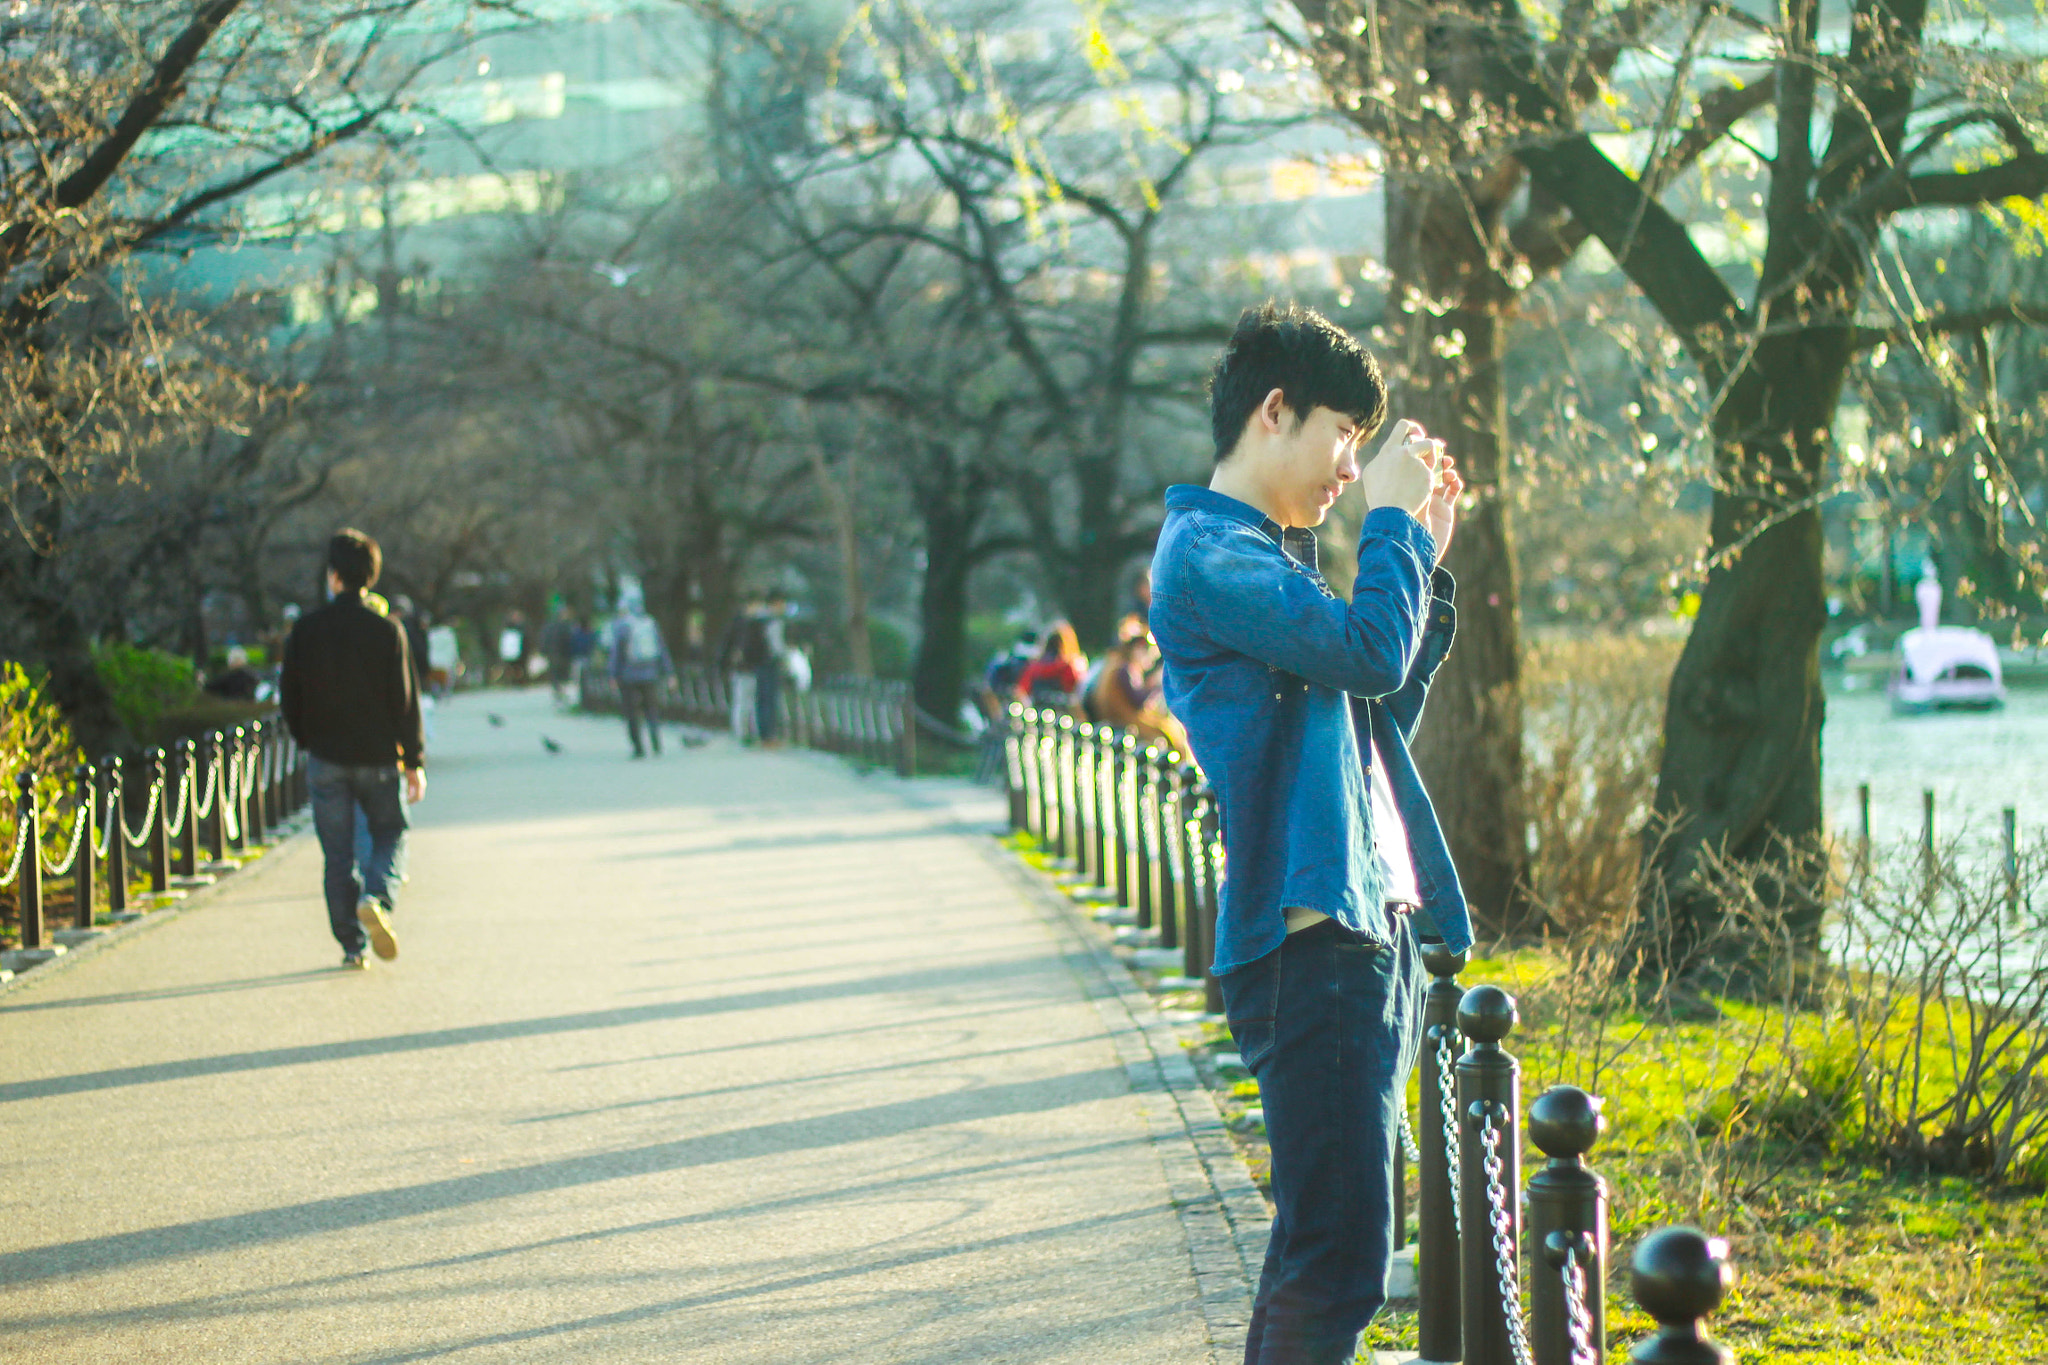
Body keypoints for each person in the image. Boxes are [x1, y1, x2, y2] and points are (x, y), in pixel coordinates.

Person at [1148, 302, 1472, 1365]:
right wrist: (1388, 529)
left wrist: (1414, 550)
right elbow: (1370, 654)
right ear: (1273, 411)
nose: (1350, 464)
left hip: (1348, 928)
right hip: (1306, 943)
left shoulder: (1262, 559)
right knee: (1339, 1259)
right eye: (1344, 431)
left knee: (1323, 1251)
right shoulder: (1209, 555)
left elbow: (1371, 727)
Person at [280, 528, 426, 970]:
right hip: (379, 757)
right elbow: (405, 699)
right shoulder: (387, 630)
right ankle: (377, 897)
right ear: (371, 577)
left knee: (337, 855)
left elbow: (290, 696)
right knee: (390, 831)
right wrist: (413, 760)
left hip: (327, 757)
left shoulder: (306, 630)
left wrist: (307, 738)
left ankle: (351, 945)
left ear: (334, 576)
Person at [1083, 632, 1188, 754]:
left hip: (1114, 718)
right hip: (1123, 720)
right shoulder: (1123, 669)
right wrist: (1155, 685)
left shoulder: (1113, 665)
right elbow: (1138, 701)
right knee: (1170, 733)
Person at [608, 596, 672, 758]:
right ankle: (656, 742)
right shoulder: (650, 624)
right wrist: (669, 672)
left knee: (631, 712)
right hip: (650, 675)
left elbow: (616, 653)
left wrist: (613, 675)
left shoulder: (622, 627)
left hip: (629, 676)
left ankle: (638, 747)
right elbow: (662, 649)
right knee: (651, 709)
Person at [1014, 621, 1086, 708]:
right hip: (1064, 712)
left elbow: (1022, 689)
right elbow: (1078, 692)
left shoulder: (1034, 667)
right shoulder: (1068, 667)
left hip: (1038, 710)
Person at [540, 602, 579, 702]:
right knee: (559, 673)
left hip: (556, 653)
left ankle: (559, 691)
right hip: (559, 653)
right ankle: (559, 691)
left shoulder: (552, 625)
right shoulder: (565, 626)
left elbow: (544, 639)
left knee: (557, 673)